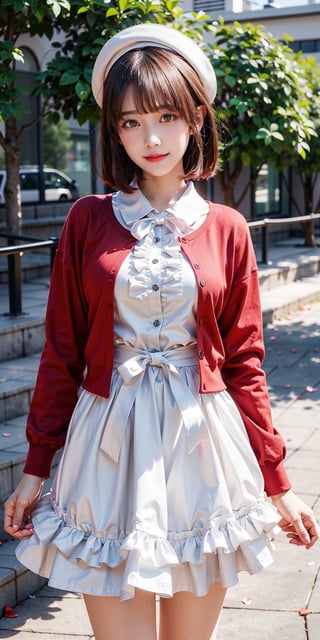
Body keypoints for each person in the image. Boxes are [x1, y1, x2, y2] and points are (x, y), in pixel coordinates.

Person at [4, 23, 319, 640]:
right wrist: (36, 467)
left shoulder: (226, 227)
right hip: (107, 445)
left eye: (167, 116)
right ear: (113, 131)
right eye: (129, 122)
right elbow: (62, 352)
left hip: (201, 448)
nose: (150, 138)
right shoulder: (88, 220)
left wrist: (278, 483)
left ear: (196, 117)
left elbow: (245, 362)